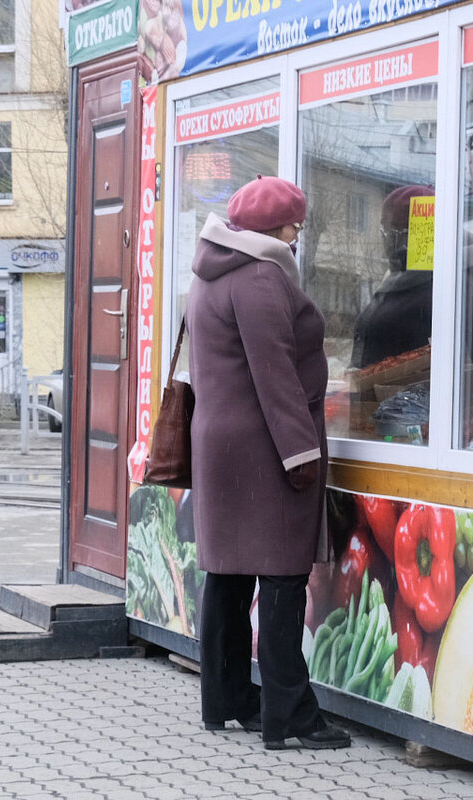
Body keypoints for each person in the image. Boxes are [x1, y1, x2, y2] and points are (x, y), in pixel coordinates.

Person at [187, 175, 350, 751]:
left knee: (228, 575)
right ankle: (291, 715)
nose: (297, 235)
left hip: (220, 442)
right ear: (269, 228)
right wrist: (301, 453)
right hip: (263, 446)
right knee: (282, 575)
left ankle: (228, 699)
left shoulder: (212, 271)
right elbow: (275, 375)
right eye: (293, 225)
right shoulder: (259, 277)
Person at [351, 185, 435, 369]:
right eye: (384, 231)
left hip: (400, 395)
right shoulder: (400, 279)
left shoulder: (433, 288)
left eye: (390, 231)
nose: (385, 239)